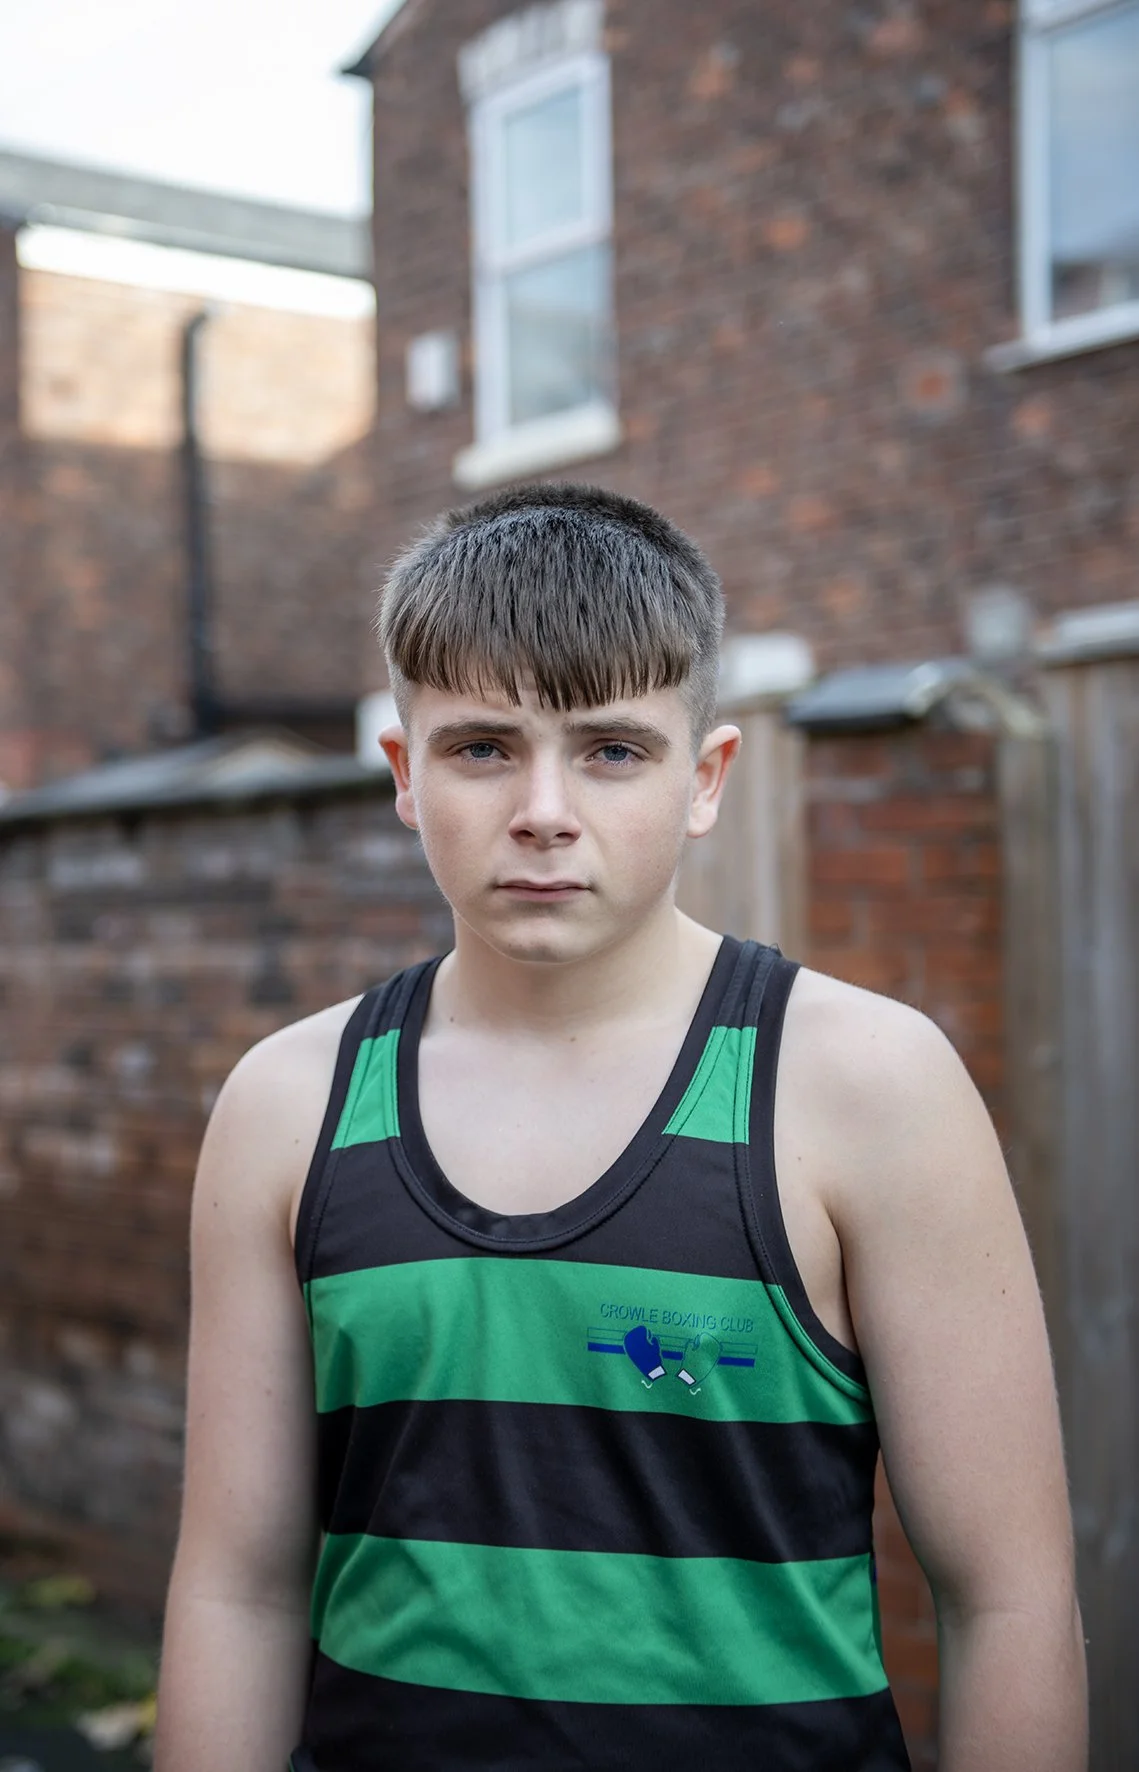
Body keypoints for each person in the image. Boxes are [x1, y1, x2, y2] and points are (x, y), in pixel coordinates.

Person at [155, 483, 1086, 1772]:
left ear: (704, 779)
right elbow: (237, 1590)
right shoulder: (288, 1104)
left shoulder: (867, 1088)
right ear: (405, 775)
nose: (543, 806)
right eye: (482, 747)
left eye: (611, 750)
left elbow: (1009, 1600)